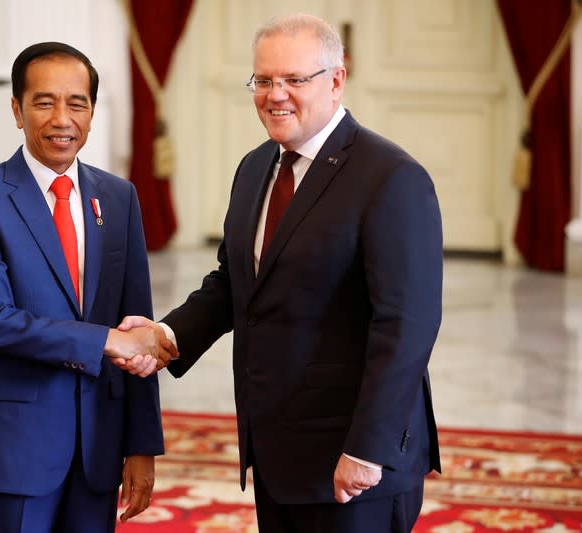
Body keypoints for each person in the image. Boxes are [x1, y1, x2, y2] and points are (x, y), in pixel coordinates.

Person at [120, 13, 443, 533]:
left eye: (295, 79)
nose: (276, 95)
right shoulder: (255, 169)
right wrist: (164, 337)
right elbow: (235, 283)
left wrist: (368, 449)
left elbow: (407, 326)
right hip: (275, 452)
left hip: (355, 463)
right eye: (264, 80)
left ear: (336, 80)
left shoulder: (392, 178)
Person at [0, 41, 176, 533]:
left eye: (77, 103)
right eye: (44, 102)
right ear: (17, 109)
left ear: (92, 112)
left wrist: (141, 445)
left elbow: (138, 319)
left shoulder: (119, 197)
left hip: (98, 447)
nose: (61, 119)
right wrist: (107, 340)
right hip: (14, 448)